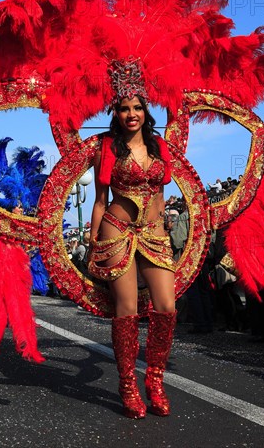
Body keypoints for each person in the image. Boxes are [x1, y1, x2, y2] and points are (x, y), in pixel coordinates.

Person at [88, 72, 176, 419]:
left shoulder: (160, 146)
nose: (131, 114)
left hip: (153, 231)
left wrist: (163, 225)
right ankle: (127, 383)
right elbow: (99, 200)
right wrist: (94, 242)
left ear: (145, 111)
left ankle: (154, 379)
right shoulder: (106, 147)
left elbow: (161, 192)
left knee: (166, 306)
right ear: (116, 113)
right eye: (124, 108)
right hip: (117, 229)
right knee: (126, 309)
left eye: (137, 107)